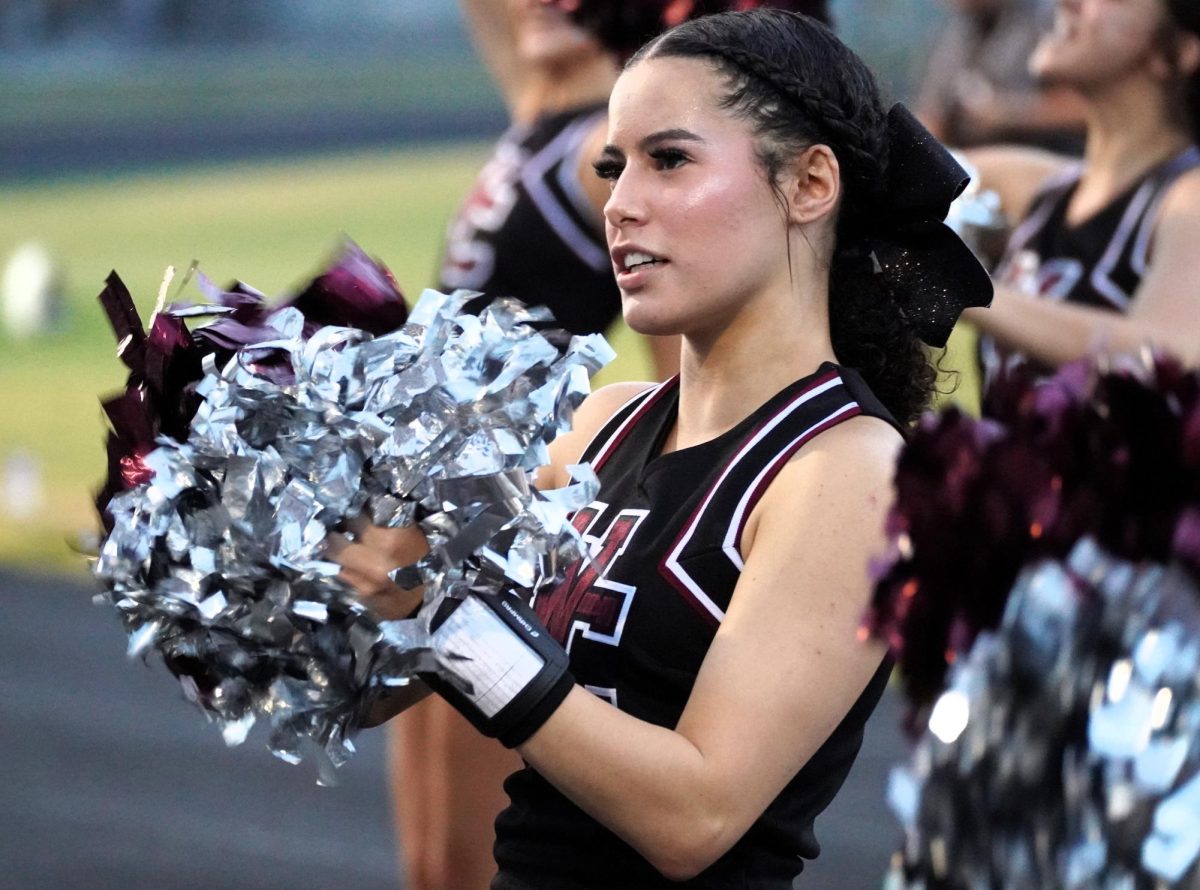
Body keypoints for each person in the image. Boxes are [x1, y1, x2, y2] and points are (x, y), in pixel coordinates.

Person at [336, 9, 989, 887]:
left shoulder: (852, 472)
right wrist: (301, 570)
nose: (621, 204)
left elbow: (697, 815)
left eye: (670, 160)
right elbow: (384, 683)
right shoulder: (599, 424)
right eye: (614, 166)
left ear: (809, 184)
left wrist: (450, 622)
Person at [397, 4, 679, 888]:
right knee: (427, 864)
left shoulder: (603, 143)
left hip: (500, 529)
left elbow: (681, 369)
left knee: (468, 864)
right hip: (425, 512)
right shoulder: (536, 105)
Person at [965, 0, 1200, 381]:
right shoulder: (1046, 189)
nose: (1067, 3)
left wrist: (964, 291)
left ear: (1175, 52)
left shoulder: (1186, 200)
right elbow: (887, 165)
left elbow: (1172, 353)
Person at [915, 0, 1085, 152]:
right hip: (974, 162)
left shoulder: (1049, 16)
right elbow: (932, 115)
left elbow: (1084, 107)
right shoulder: (953, 32)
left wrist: (1008, 113)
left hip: (1047, 157)